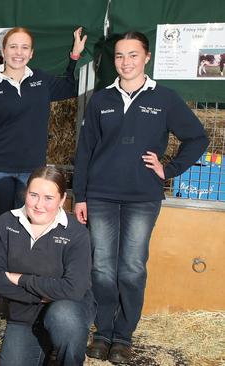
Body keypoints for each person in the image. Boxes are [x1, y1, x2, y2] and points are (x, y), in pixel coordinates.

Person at [73, 31, 209, 364]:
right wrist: (80, 196)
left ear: (146, 57)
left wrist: (169, 168)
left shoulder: (164, 98)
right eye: (119, 56)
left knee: (131, 269)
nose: (126, 62)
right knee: (102, 269)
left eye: (133, 55)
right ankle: (103, 332)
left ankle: (123, 336)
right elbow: (85, 150)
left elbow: (198, 138)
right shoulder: (101, 99)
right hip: (101, 195)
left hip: (142, 197)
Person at [0, 26, 87, 239]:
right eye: (13, 47)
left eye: (24, 47)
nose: (18, 53)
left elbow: (68, 87)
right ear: (3, 51)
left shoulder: (41, 81)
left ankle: (20, 273)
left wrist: (74, 56)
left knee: (26, 231)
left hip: (31, 173)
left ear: (31, 53)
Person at [0, 166, 95, 366]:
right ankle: (46, 347)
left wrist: (21, 279)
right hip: (24, 313)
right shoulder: (6, 223)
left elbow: (74, 288)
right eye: (33, 195)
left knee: (64, 319)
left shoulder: (76, 233)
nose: (39, 205)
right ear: (25, 193)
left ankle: (65, 353)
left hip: (67, 309)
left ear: (62, 200)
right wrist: (42, 295)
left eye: (48, 198)